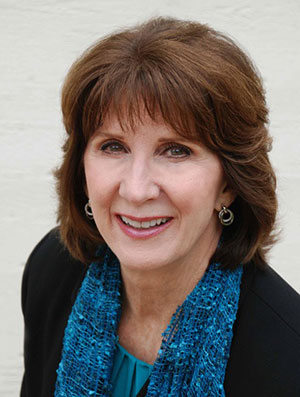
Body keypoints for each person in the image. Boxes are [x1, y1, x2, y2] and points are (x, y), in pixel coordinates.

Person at [21, 17, 300, 397]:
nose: (136, 190)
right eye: (113, 146)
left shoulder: (286, 355)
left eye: (176, 151)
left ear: (230, 184)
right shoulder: (52, 270)